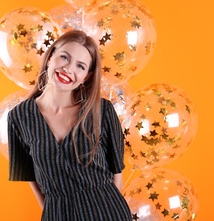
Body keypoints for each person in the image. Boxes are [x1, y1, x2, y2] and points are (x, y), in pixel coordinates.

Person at [7, 30, 132, 220]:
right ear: (50, 57)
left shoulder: (102, 111)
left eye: (80, 66)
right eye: (64, 57)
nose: (68, 69)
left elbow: (117, 174)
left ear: (86, 77)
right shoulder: (19, 117)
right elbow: (30, 177)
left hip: (107, 211)